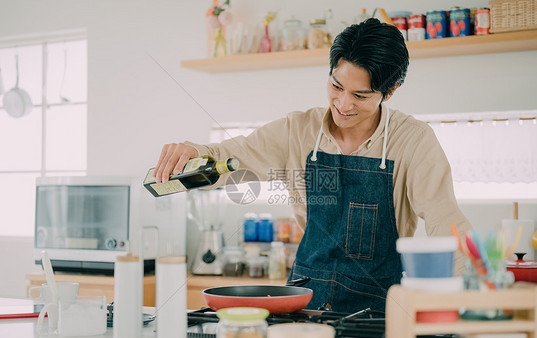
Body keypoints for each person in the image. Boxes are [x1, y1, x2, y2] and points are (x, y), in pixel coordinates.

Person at [152, 18, 471, 314]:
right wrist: (194, 153)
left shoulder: (413, 140)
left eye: (360, 95)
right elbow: (233, 157)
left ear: (390, 91)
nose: (344, 104)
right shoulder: (297, 130)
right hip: (304, 301)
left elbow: (446, 222)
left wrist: (473, 292)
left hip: (378, 309)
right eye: (336, 86)